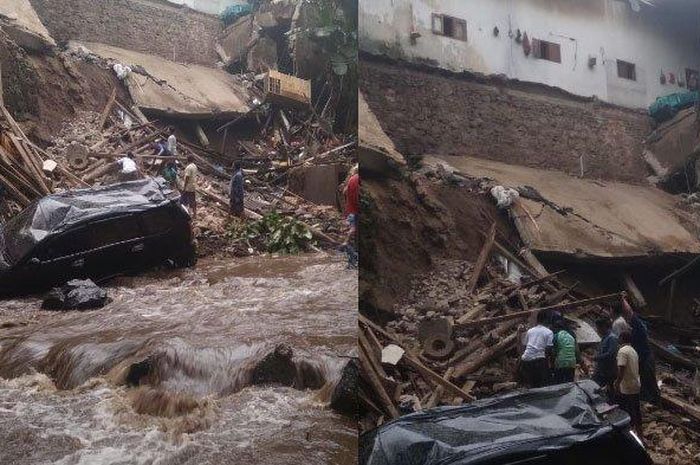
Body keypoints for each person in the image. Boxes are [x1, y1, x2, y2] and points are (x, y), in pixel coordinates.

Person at [620, 296, 660, 403]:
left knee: (649, 381)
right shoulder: (635, 327)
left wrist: (622, 299)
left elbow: (629, 312)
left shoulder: (638, 325)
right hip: (642, 359)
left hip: (646, 358)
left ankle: (654, 402)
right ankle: (648, 401)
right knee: (644, 381)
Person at [615, 330, 643, 439]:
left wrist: (617, 382)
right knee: (636, 411)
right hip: (635, 384)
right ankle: (640, 437)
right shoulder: (633, 350)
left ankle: (628, 436)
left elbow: (621, 368)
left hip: (627, 386)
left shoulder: (622, 351)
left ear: (622, 338)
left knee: (626, 411)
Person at [519, 311, 553, 388]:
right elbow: (548, 349)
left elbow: (524, 346)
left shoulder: (530, 331)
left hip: (526, 360)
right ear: (546, 320)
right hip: (538, 360)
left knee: (531, 385)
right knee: (542, 385)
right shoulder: (549, 332)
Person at [593, 317, 619, 400]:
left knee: (609, 390)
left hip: (609, 370)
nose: (598, 330)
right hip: (602, 369)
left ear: (603, 327)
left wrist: (596, 358)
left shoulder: (612, 338)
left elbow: (611, 354)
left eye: (598, 328)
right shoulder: (605, 338)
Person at [551, 314, 579, 384]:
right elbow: (576, 350)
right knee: (569, 384)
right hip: (572, 363)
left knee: (559, 384)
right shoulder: (571, 335)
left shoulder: (556, 335)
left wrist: (552, 366)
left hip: (561, 362)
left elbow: (553, 352)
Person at [342, 167, 359, 268]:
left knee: (352, 229)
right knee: (353, 230)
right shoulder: (357, 179)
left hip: (351, 210)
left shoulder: (351, 180)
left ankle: (351, 262)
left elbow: (344, 192)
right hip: (355, 210)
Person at [180, 155, 198, 219]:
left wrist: (184, 187)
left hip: (188, 187)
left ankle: (185, 215)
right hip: (193, 186)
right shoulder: (194, 166)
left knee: (183, 201)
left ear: (187, 160)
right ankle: (195, 213)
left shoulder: (188, 167)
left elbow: (187, 177)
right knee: (193, 200)